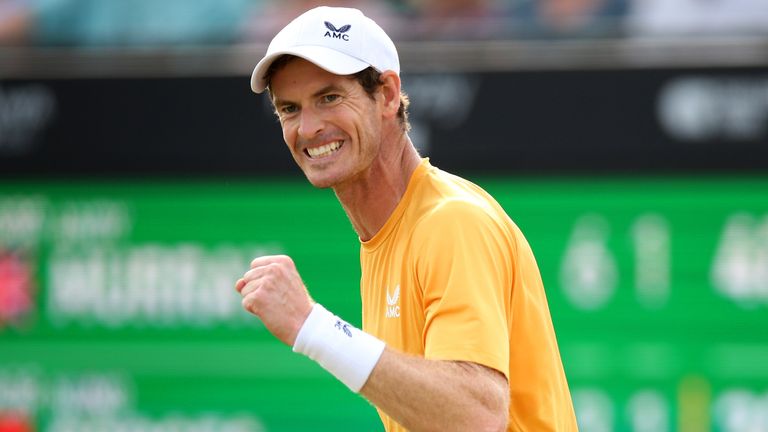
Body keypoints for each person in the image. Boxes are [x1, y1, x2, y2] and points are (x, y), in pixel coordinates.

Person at [235, 6, 578, 431]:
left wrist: (311, 326)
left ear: (388, 94)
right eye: (289, 108)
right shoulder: (389, 233)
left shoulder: (451, 222)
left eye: (329, 98)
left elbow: (475, 418)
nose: (308, 128)